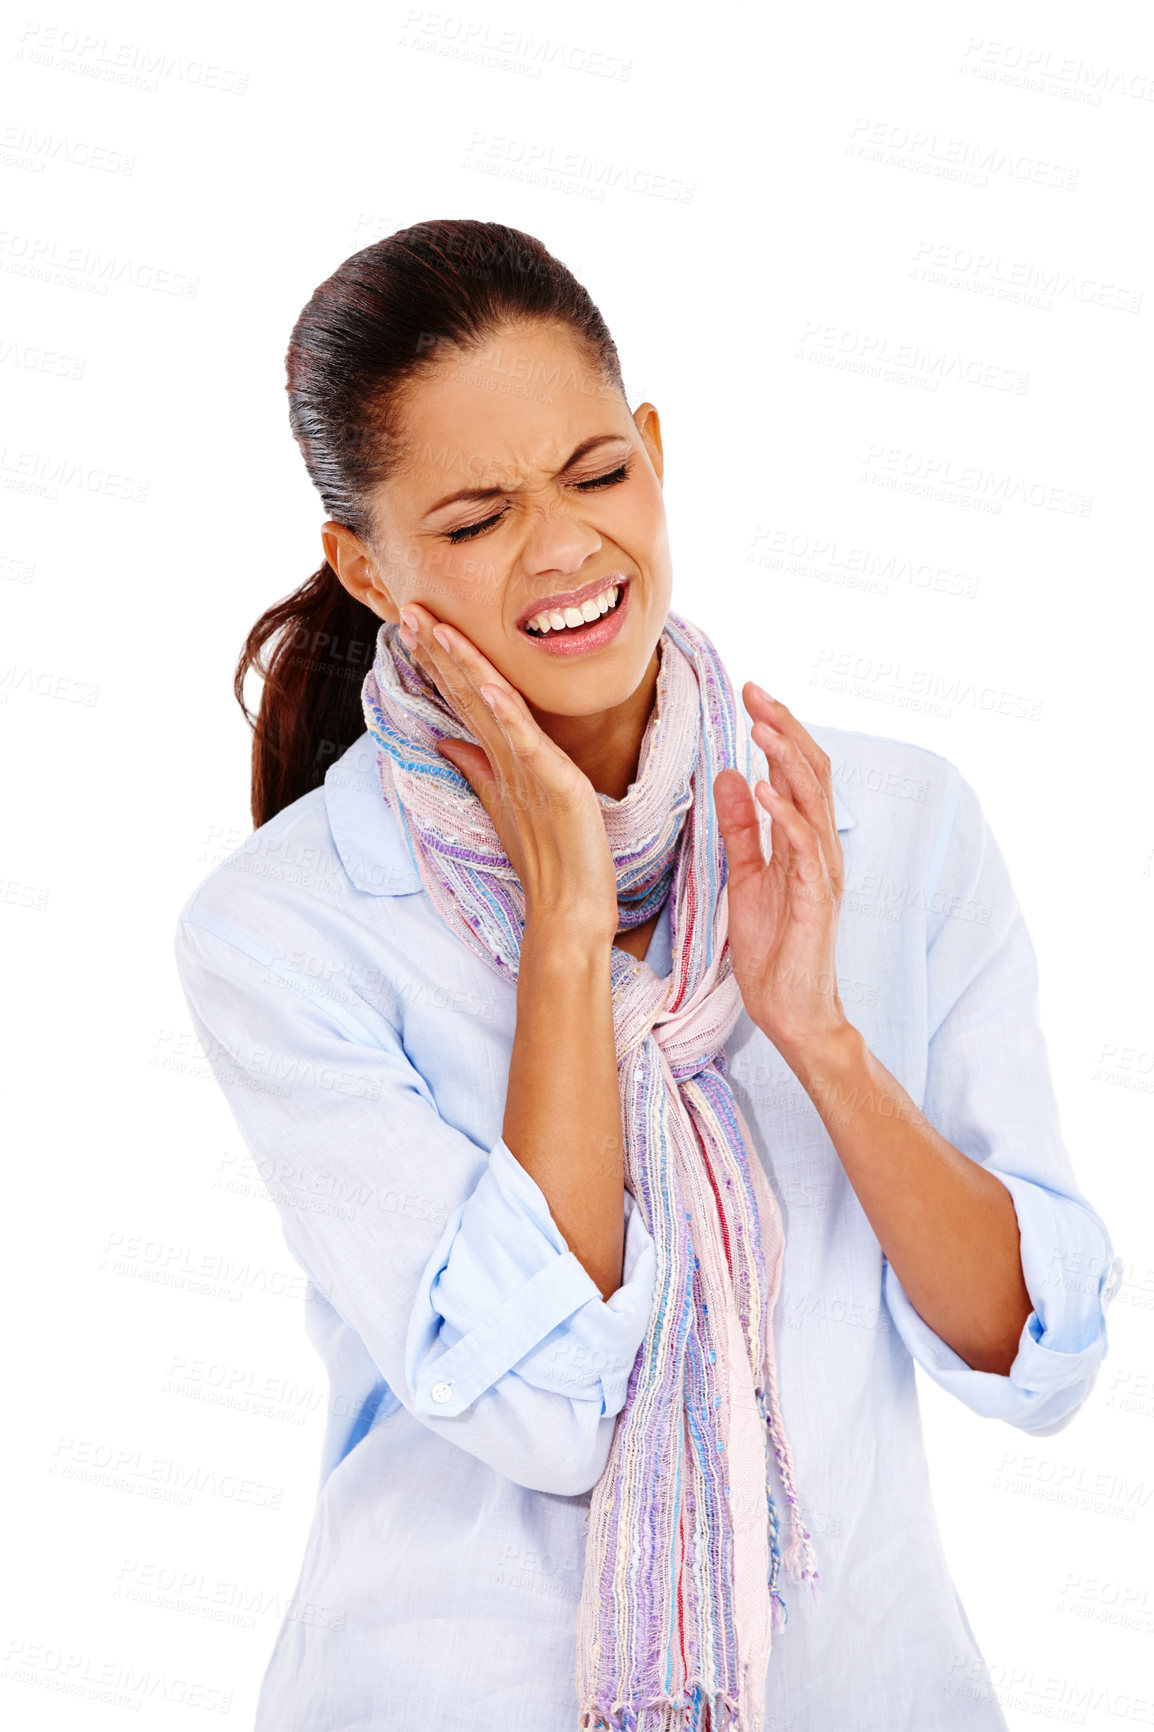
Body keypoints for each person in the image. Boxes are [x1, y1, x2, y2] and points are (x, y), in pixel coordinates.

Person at [174, 220, 1122, 1732]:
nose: (563, 550)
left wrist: (812, 1030)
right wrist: (565, 920)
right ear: (363, 564)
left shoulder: (887, 823)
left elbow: (1035, 1349)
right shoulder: (282, 931)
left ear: (656, 452)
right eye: (475, 516)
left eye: (597, 473)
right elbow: (543, 1412)